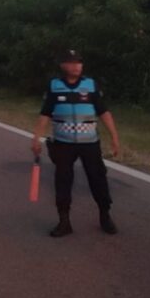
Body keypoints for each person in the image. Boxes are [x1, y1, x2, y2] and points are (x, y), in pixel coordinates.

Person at [31, 49, 121, 237]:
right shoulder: (54, 86)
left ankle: (105, 215)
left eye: (79, 62)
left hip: (90, 143)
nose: (76, 66)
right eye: (72, 62)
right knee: (63, 181)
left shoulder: (90, 85)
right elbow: (45, 114)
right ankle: (64, 222)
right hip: (63, 144)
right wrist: (36, 138)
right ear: (63, 65)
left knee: (98, 179)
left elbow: (104, 112)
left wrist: (114, 137)